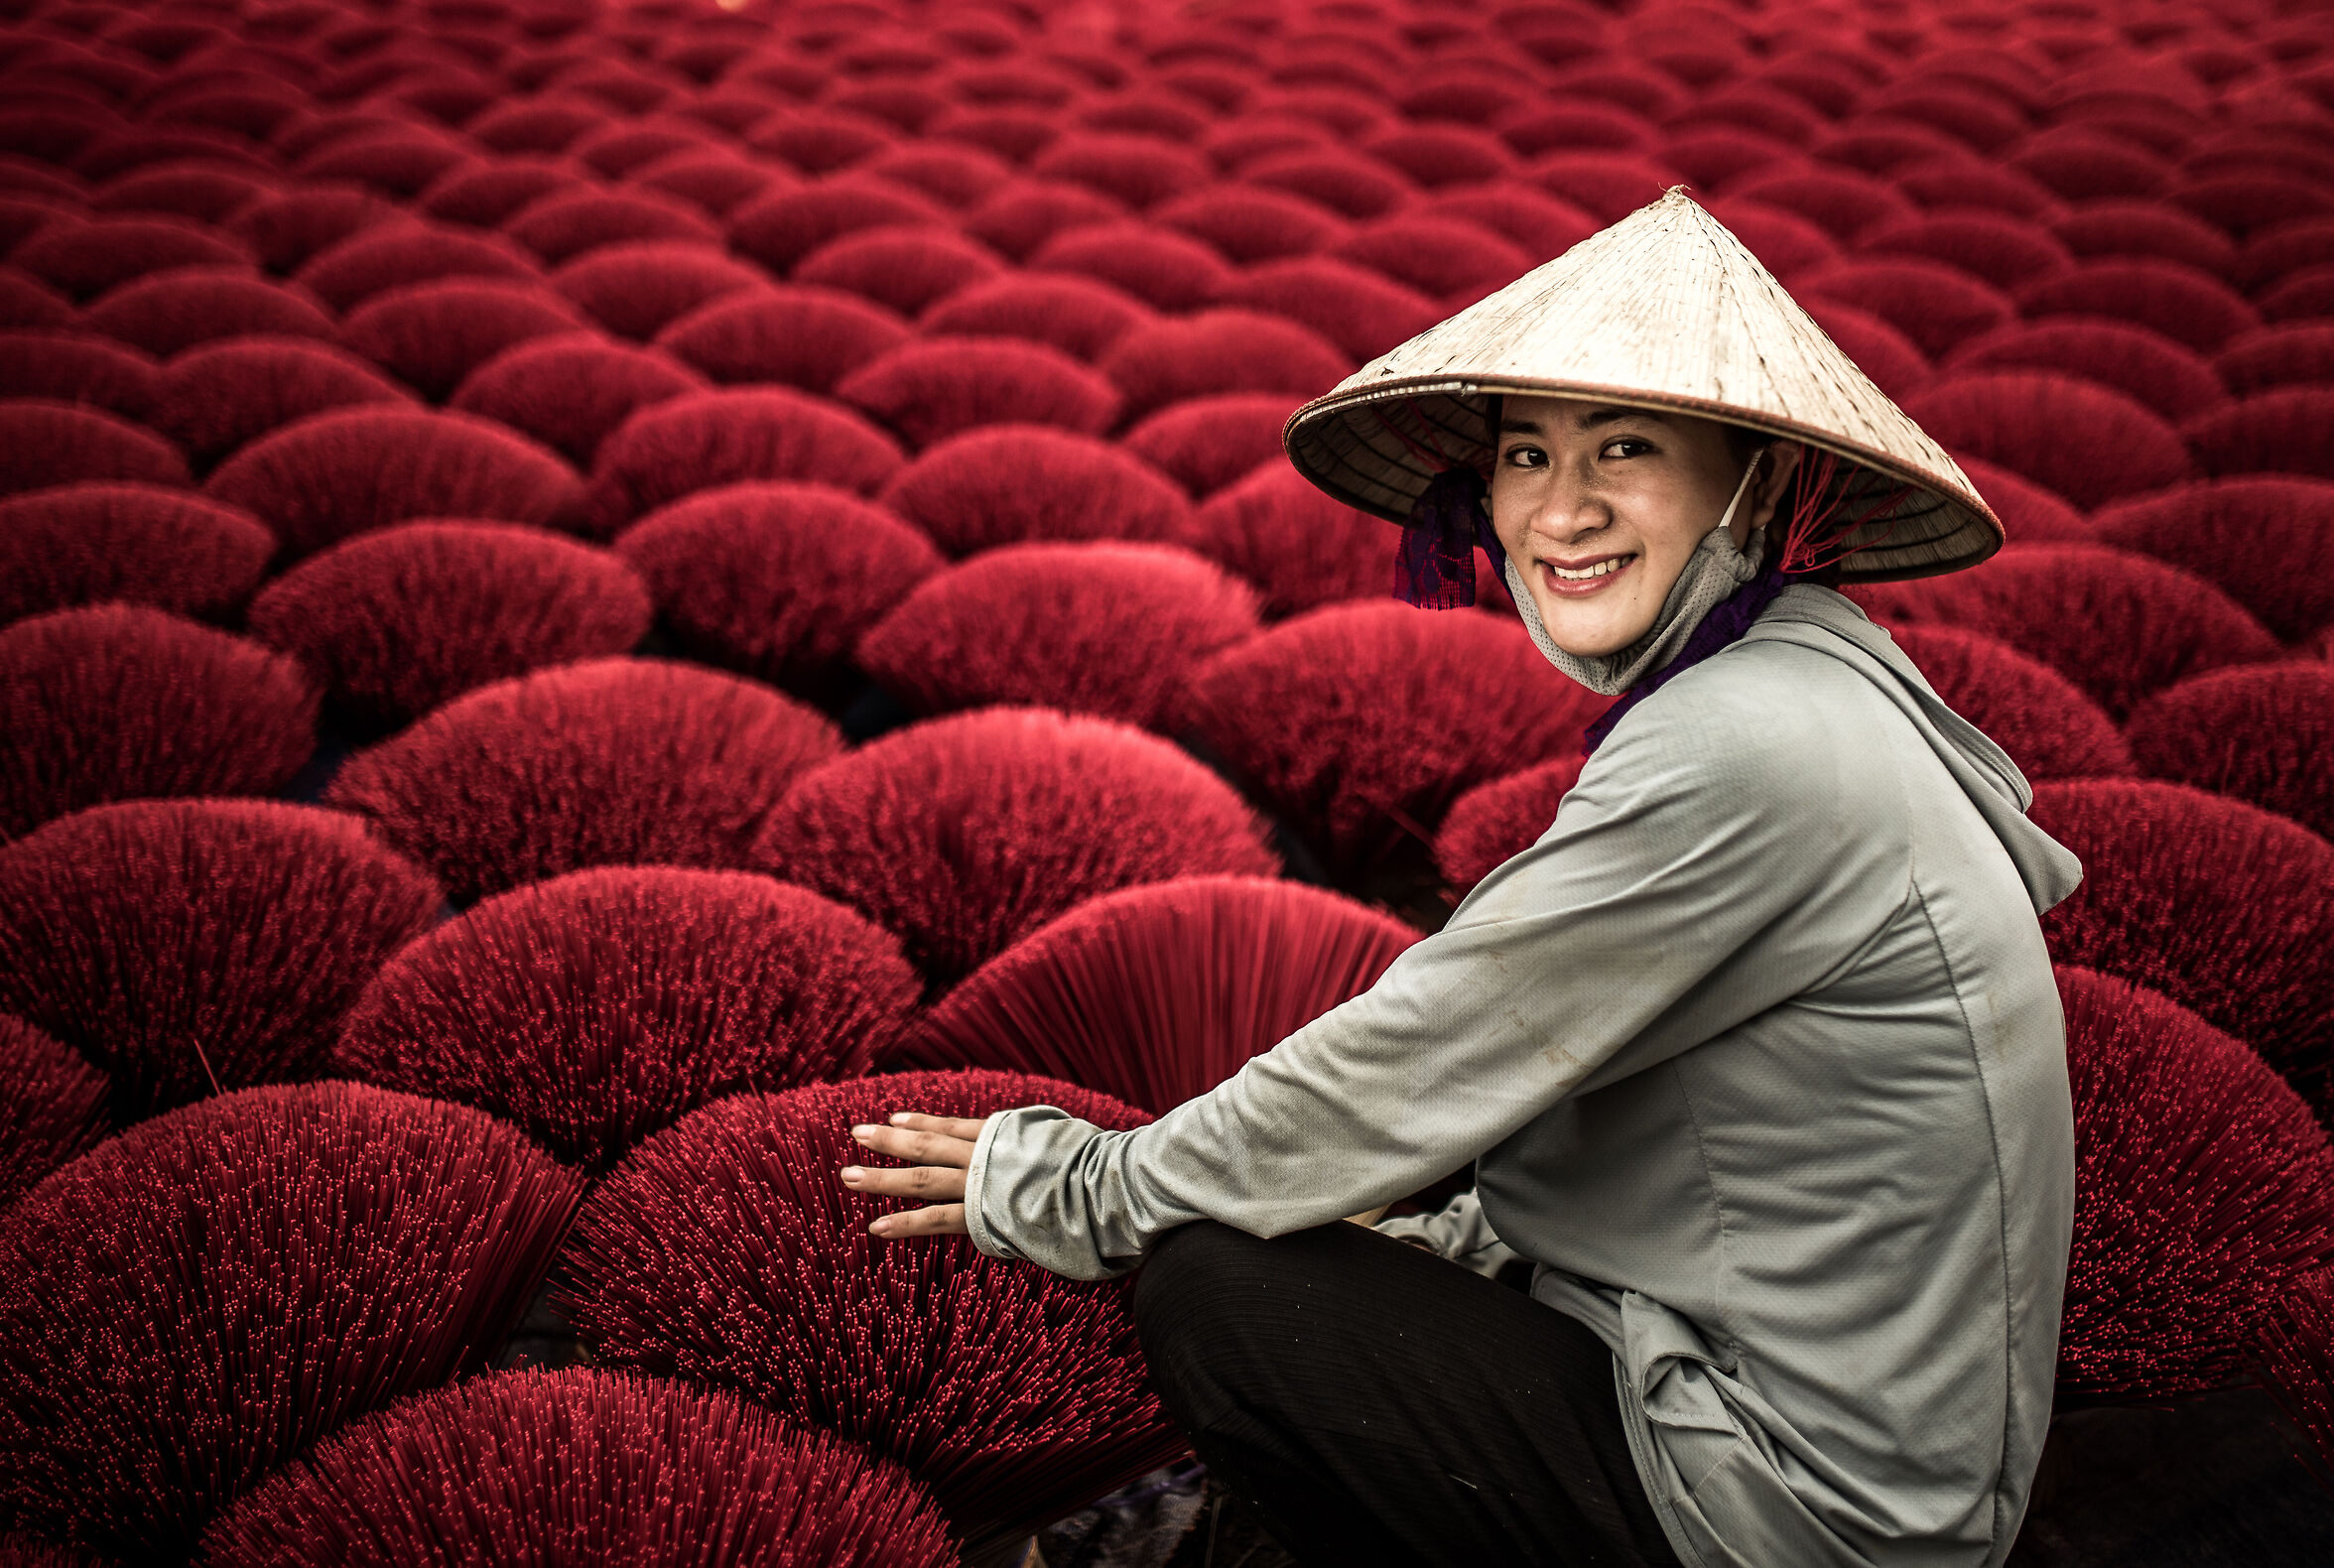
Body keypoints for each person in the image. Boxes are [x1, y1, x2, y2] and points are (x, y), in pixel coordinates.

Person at [836, 190, 2083, 1568]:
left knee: (1223, 1291)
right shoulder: (1803, 679)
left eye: (1628, 450)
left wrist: (1079, 1184)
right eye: (1528, 453)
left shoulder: (1747, 747)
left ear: (1756, 485)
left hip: (1790, 1506)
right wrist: (1455, 1229)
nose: (1564, 508)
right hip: (1834, 1430)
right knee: (1357, 1229)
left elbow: (1416, 1058)